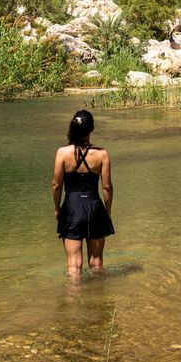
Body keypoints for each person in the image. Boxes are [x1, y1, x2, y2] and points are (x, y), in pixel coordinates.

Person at [52, 109, 114, 277]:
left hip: (72, 209)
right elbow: (107, 187)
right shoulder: (102, 154)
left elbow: (56, 185)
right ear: (91, 129)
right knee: (97, 264)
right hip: (95, 208)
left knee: (74, 267)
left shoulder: (62, 153)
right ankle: (99, 299)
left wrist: (57, 209)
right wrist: (107, 212)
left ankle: (75, 302)